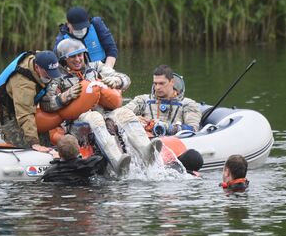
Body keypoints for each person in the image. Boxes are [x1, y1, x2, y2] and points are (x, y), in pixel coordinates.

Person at [40, 38, 161, 176]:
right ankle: (117, 160)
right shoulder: (58, 78)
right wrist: (64, 97)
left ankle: (146, 150)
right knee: (94, 117)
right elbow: (46, 104)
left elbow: (125, 78)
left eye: (80, 55)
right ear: (64, 59)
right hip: (76, 122)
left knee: (124, 112)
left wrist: (118, 80)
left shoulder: (96, 67)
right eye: (73, 56)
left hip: (105, 114)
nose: (78, 59)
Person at [0, 50, 61, 152]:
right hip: (4, 110)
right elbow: (25, 114)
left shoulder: (42, 59)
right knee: (26, 145)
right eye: (48, 73)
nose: (51, 76)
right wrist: (34, 143)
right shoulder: (23, 84)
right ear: (37, 67)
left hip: (24, 103)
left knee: (46, 141)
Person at [124, 64, 202, 136]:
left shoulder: (188, 104)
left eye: (161, 83)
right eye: (155, 83)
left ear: (172, 82)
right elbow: (120, 114)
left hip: (175, 144)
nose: (157, 87)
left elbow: (193, 129)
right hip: (146, 142)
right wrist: (135, 119)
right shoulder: (143, 100)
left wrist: (169, 128)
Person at [53, 6, 118, 68]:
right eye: (77, 28)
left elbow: (111, 49)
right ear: (68, 24)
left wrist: (107, 69)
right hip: (79, 73)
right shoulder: (62, 39)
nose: (81, 30)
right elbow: (57, 62)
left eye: (84, 26)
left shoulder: (96, 24)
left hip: (103, 67)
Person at [40, 134, 106, 184]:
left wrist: (56, 160)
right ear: (78, 150)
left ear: (59, 153)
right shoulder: (85, 166)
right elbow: (100, 157)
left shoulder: (50, 172)